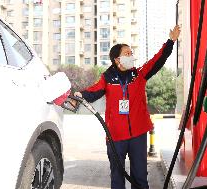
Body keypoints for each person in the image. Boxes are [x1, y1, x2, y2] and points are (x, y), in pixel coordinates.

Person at [73, 25, 181, 189]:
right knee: (117, 178)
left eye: (131, 53)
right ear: (117, 60)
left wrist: (170, 42)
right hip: (115, 136)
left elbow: (157, 60)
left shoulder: (139, 74)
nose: (131, 56)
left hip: (138, 134)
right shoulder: (107, 78)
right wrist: (79, 95)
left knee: (140, 177)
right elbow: (93, 91)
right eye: (127, 54)